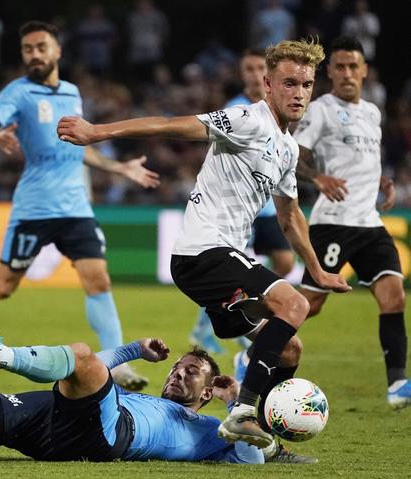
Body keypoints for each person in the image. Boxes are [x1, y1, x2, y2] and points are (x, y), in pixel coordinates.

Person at [57, 38, 351, 448]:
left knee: (289, 350)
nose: (298, 93)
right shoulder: (247, 119)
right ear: (268, 85)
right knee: (295, 304)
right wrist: (97, 132)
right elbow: (168, 123)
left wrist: (317, 270)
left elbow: (289, 215)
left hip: (222, 258)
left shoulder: (285, 148)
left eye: (305, 85)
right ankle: (243, 411)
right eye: (289, 83)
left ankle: (263, 442)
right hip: (202, 252)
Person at [0, 21, 160, 391]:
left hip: (76, 208)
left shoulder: (72, 93)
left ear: (57, 51)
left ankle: (117, 363)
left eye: (41, 47)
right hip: (34, 209)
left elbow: (77, 147)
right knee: (1, 287)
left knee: (98, 280)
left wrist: (117, 166)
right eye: (27, 49)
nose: (34, 54)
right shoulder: (17, 92)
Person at [0, 301, 311, 464]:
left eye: (192, 373)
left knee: (79, 357)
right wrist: (132, 351)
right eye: (178, 367)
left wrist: (232, 404)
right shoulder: (131, 394)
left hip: (111, 435)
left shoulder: (212, 432)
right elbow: (85, 368)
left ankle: (1, 353)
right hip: (60, 426)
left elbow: (252, 454)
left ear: (207, 392)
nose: (179, 372)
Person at [294, 35, 411, 410]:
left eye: (353, 66)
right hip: (332, 224)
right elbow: (294, 157)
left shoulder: (373, 112)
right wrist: (318, 179)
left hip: (370, 223)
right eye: (339, 67)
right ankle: (256, 352)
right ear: (330, 73)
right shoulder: (320, 110)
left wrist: (380, 180)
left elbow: (359, 159)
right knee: (309, 305)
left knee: (394, 297)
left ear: (364, 71)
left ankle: (397, 384)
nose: (346, 73)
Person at [190, 48, 295, 356]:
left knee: (285, 263)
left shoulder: (279, 111)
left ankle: (242, 313)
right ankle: (211, 326)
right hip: (235, 212)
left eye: (258, 67)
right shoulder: (236, 109)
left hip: (265, 207)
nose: (252, 74)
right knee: (231, 276)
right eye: (247, 69)